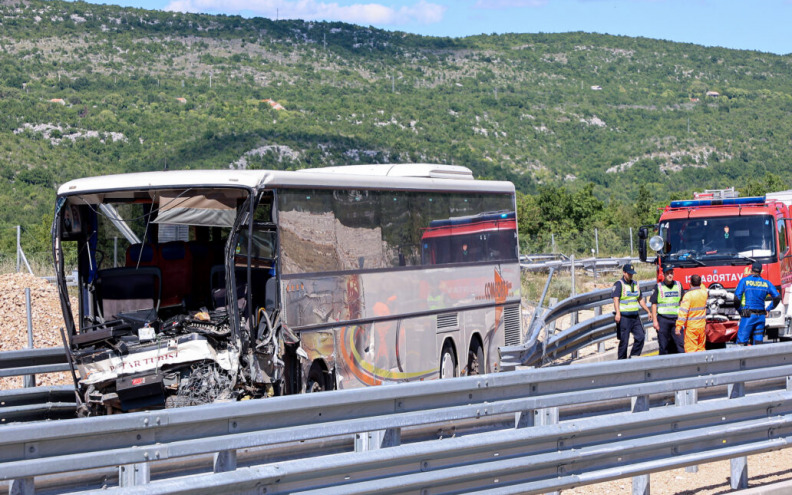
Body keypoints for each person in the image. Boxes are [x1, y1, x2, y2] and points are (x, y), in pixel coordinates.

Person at [734, 262, 781, 345]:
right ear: (760, 271)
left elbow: (737, 299)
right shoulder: (766, 283)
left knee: (741, 343)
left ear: (751, 270)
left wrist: (741, 311)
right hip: (761, 317)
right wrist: (768, 309)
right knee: (758, 344)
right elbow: (777, 297)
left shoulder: (744, 281)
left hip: (748, 316)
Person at [612, 263, 651, 359]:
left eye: (632, 274)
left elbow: (640, 299)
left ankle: (633, 357)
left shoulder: (635, 284)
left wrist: (648, 311)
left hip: (635, 317)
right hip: (624, 317)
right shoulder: (619, 284)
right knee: (624, 341)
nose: (631, 275)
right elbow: (615, 299)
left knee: (641, 337)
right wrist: (617, 313)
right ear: (624, 272)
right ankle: (621, 362)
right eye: (629, 273)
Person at [650, 267, 685, 354]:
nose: (670, 275)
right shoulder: (658, 286)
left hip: (676, 319)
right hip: (663, 320)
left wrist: (683, 318)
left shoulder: (678, 285)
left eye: (671, 273)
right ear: (664, 274)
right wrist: (655, 321)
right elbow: (653, 304)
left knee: (680, 345)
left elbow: (682, 302)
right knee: (664, 346)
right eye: (668, 273)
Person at [675, 274, 708, 352]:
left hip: (691, 328)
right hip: (702, 327)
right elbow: (702, 286)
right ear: (700, 283)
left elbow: (683, 313)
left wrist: (678, 327)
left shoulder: (688, 296)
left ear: (690, 283)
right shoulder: (704, 293)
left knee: (691, 350)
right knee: (701, 349)